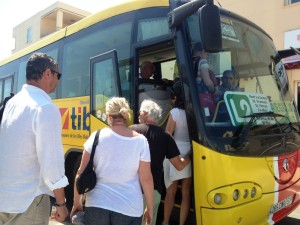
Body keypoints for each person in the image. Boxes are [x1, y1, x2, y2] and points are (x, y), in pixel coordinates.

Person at [0, 52, 69, 225]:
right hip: (29, 201)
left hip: (5, 198)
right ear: (47, 73)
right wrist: (61, 203)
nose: (58, 80)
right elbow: (51, 164)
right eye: (57, 75)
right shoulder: (45, 107)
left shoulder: (12, 103)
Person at [70, 97, 154, 225]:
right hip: (129, 208)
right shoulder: (141, 141)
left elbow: (80, 173)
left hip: (97, 205)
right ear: (125, 116)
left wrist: (77, 203)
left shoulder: (96, 137)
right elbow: (146, 179)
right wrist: (150, 208)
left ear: (109, 117)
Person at [129, 99, 190, 225]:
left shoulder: (132, 131)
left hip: (130, 188)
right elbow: (179, 166)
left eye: (140, 112)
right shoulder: (166, 137)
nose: (138, 115)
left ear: (145, 114)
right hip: (153, 192)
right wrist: (190, 155)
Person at [162, 80, 192, 225]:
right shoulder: (193, 112)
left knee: (171, 191)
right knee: (186, 193)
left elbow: (168, 135)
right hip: (190, 152)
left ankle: (166, 222)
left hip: (175, 151)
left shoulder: (175, 112)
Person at [193, 42, 218, 119]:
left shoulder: (190, 61)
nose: (207, 56)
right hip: (204, 98)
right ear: (203, 51)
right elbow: (208, 82)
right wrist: (214, 91)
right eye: (207, 54)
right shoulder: (202, 61)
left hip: (194, 98)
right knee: (209, 118)